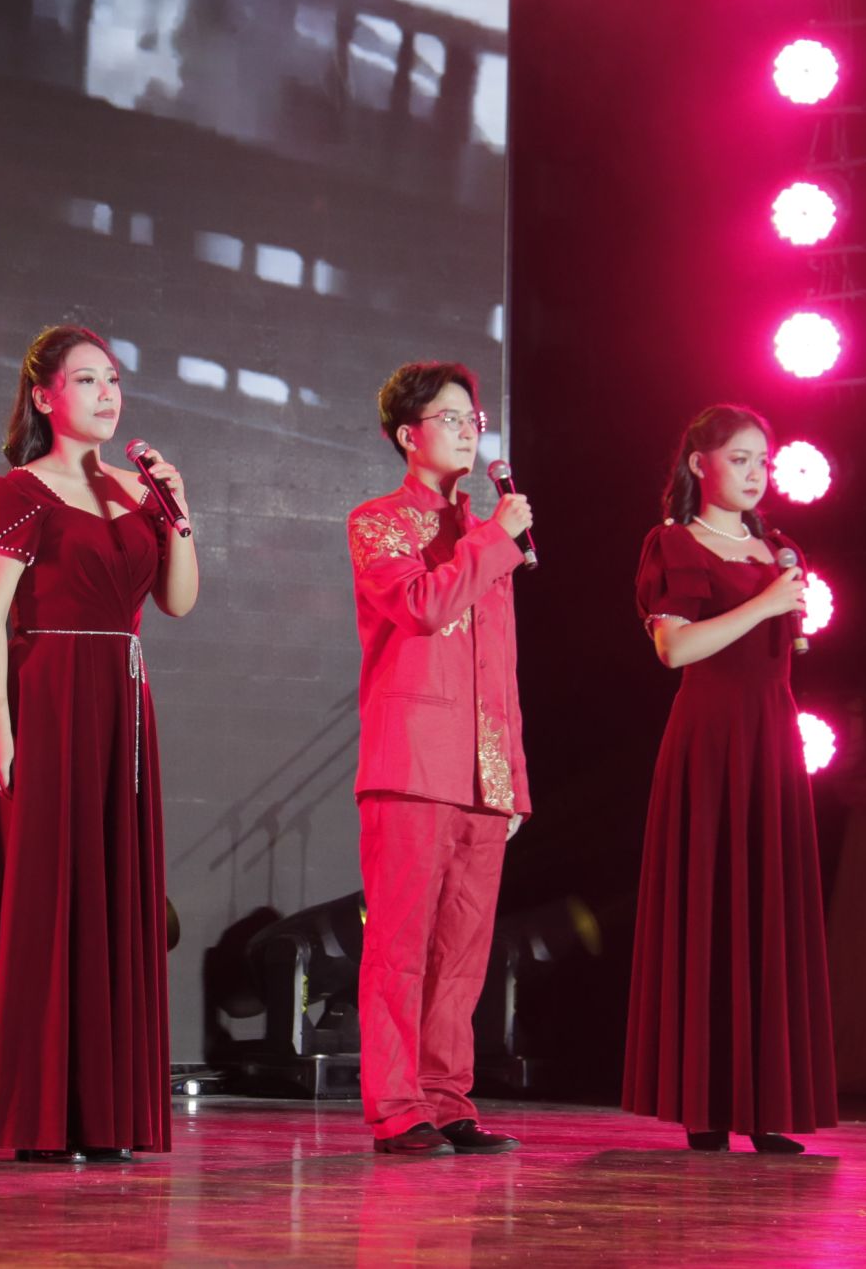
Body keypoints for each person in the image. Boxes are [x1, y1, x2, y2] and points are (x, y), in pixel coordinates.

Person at [0, 324, 198, 1163]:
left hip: (124, 698)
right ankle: (42, 1115)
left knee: (112, 895)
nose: (106, 394)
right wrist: (0, 726)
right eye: (87, 380)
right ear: (45, 396)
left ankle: (105, 1112)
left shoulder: (140, 491)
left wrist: (179, 513)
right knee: (50, 896)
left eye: (113, 379)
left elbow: (179, 602)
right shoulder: (16, 490)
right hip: (49, 695)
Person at [622, 404, 836, 1155]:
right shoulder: (675, 542)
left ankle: (764, 1104)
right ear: (699, 464)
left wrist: (781, 601)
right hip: (711, 740)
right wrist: (767, 603)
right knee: (711, 909)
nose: (755, 473)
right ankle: (704, 1105)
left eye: (761, 461)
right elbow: (676, 650)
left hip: (772, 735)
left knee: (765, 909)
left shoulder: (778, 547)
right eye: (740, 459)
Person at [345, 361, 531, 1157]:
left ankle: (448, 1098)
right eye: (449, 418)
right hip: (413, 764)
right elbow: (422, 606)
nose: (467, 430)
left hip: (484, 774)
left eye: (472, 419)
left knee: (462, 954)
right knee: (399, 946)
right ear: (407, 435)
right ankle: (397, 1106)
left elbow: (500, 667)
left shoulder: (486, 537)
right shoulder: (378, 522)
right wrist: (493, 538)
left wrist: (514, 776)